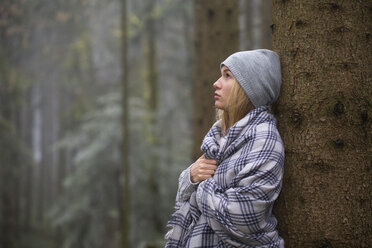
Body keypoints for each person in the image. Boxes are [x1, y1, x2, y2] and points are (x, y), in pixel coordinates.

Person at [165, 49, 285, 247]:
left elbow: (247, 218)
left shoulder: (264, 140)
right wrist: (191, 176)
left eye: (227, 76)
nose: (216, 83)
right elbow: (189, 195)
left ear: (250, 87)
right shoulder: (219, 139)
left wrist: (202, 187)